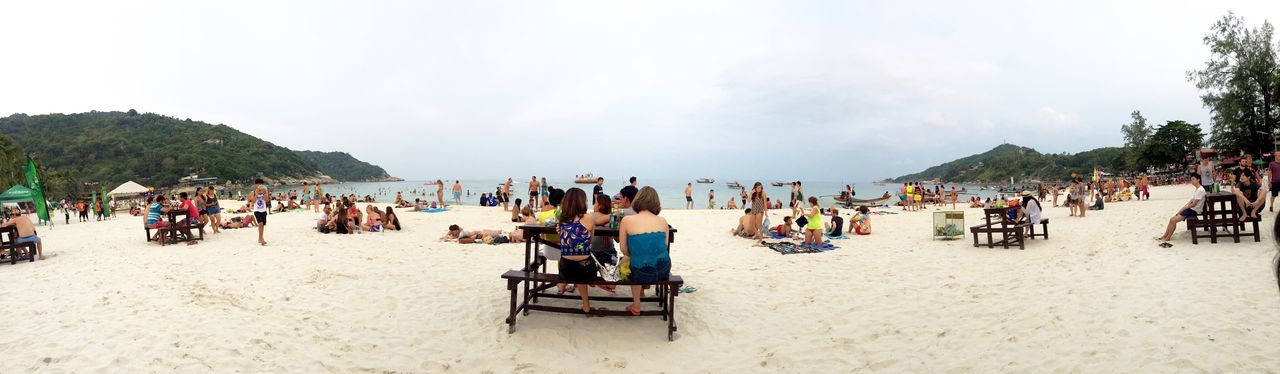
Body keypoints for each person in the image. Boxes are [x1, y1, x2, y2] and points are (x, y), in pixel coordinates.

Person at [619, 186, 671, 316]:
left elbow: (623, 249)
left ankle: (636, 305)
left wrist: (633, 254)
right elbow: (664, 245)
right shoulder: (663, 221)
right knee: (640, 259)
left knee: (630, 261)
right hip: (664, 269)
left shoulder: (626, 220)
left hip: (641, 272)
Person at [555, 188, 597, 314]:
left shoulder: (561, 219)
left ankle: (562, 284)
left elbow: (564, 241)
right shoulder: (590, 218)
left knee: (564, 259)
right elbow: (590, 241)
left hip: (566, 268)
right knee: (582, 265)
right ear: (582, 202)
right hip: (585, 268)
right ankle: (586, 305)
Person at [1157, 173, 1206, 247]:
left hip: (1193, 211)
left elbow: (1194, 204)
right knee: (1172, 219)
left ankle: (1168, 238)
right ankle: (1164, 236)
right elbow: (1190, 202)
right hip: (1190, 209)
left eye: (1193, 179)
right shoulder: (1197, 189)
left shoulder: (1200, 190)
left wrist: (1185, 208)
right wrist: (1182, 209)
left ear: (1198, 180)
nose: (1192, 181)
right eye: (1191, 179)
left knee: (1173, 220)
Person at [248, 178, 269, 246]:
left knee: (262, 224)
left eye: (261, 184)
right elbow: (253, 202)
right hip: (257, 210)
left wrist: (263, 193)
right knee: (260, 223)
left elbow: (267, 200)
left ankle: (260, 238)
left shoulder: (265, 191)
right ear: (256, 185)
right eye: (258, 184)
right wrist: (256, 194)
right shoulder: (253, 192)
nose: (260, 185)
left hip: (264, 210)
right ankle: (261, 238)